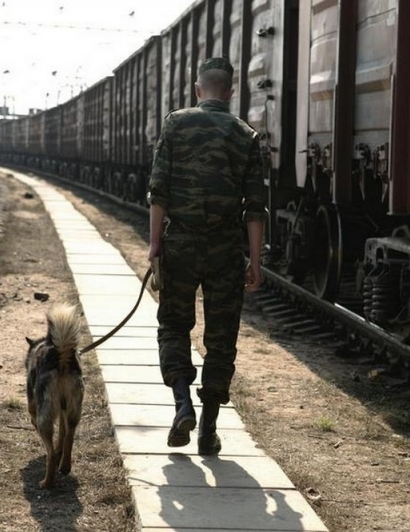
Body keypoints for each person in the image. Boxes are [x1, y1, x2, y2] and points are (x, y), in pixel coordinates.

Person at [147, 57, 265, 456]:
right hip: (225, 251)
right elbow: (255, 208)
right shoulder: (246, 135)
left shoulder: (175, 123)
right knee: (221, 338)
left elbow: (158, 191)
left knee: (174, 326)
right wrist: (255, 261)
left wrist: (154, 245)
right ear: (230, 93)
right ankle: (208, 429)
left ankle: (182, 405)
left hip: (180, 243)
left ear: (198, 90)